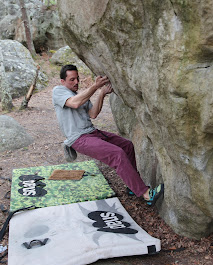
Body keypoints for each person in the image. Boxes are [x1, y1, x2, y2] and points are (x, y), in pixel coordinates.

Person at [52, 64, 164, 206]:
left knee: (127, 146)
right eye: (71, 80)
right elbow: (74, 104)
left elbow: (93, 114)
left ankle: (132, 186)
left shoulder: (79, 95)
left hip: (92, 133)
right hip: (79, 138)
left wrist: (101, 93)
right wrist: (94, 86)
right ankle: (146, 194)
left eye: (77, 79)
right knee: (116, 154)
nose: (76, 82)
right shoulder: (58, 91)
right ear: (62, 81)